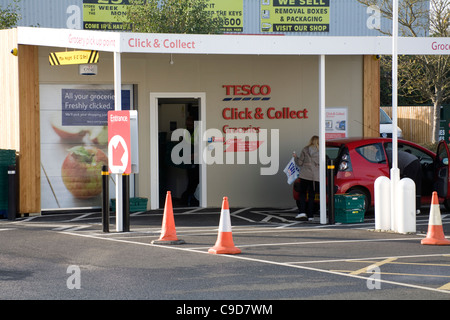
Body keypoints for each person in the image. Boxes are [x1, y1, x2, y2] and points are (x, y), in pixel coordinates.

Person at [386, 149, 422, 214]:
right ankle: (417, 207)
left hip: (409, 165)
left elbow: (390, 168)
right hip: (415, 161)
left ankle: (407, 207)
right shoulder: (392, 152)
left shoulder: (387, 155)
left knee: (407, 186)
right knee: (416, 185)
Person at [293, 135, 319, 221]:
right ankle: (310, 216)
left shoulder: (305, 149)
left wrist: (295, 157)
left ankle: (302, 212)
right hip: (315, 176)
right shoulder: (321, 150)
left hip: (304, 175)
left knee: (302, 194)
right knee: (312, 196)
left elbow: (300, 163)